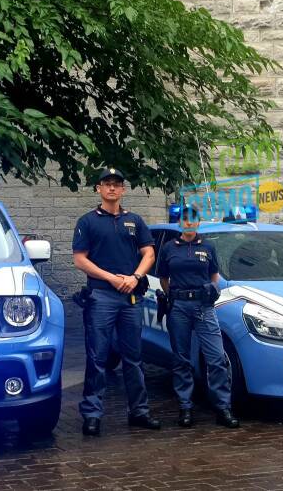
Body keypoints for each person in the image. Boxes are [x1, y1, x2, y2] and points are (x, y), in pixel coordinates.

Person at [73, 167, 161, 436]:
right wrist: (111, 278)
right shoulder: (87, 221)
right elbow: (80, 259)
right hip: (101, 296)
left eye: (117, 184)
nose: (112, 188)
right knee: (97, 356)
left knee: (133, 358)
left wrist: (135, 277)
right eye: (106, 184)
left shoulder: (134, 220)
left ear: (123, 190)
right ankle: (92, 414)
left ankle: (139, 412)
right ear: (98, 189)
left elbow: (149, 253)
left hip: (130, 297)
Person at [156, 204, 239, 429]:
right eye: (185, 219)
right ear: (180, 223)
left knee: (216, 359)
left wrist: (212, 290)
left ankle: (223, 408)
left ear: (198, 222)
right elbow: (163, 278)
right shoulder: (168, 248)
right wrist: (172, 295)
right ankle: (185, 407)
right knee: (181, 359)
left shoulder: (208, 247)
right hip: (180, 306)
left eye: (193, 219)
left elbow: (214, 275)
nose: (189, 223)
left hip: (204, 306)